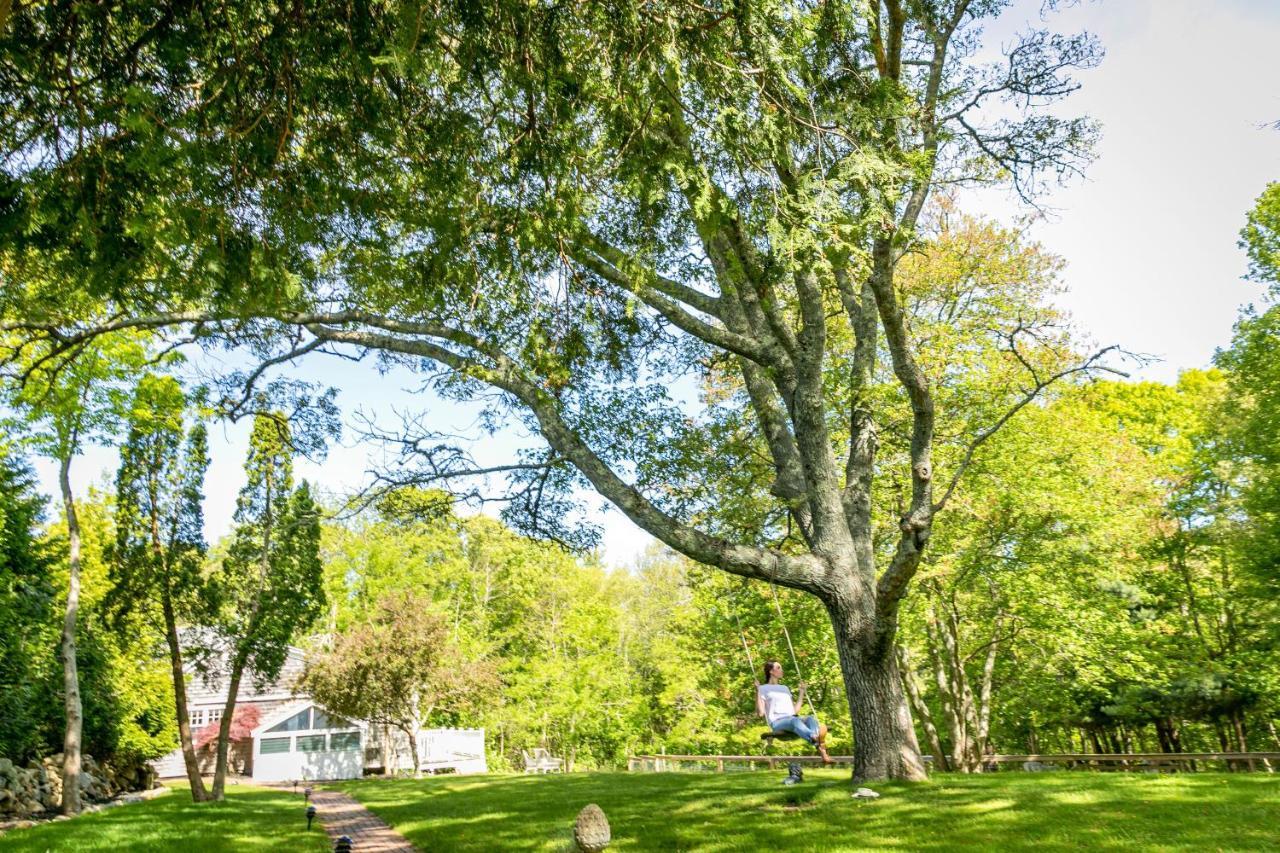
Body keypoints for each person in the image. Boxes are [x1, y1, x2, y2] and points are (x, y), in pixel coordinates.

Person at [755, 660, 833, 764]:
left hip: (792, 718)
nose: (781, 670)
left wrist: (801, 692)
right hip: (777, 722)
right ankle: (815, 737)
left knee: (809, 718)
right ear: (771, 671)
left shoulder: (785, 688)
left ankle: (820, 747)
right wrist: (757, 691)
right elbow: (761, 713)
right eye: (778, 668)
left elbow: (794, 711)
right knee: (795, 721)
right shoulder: (763, 688)